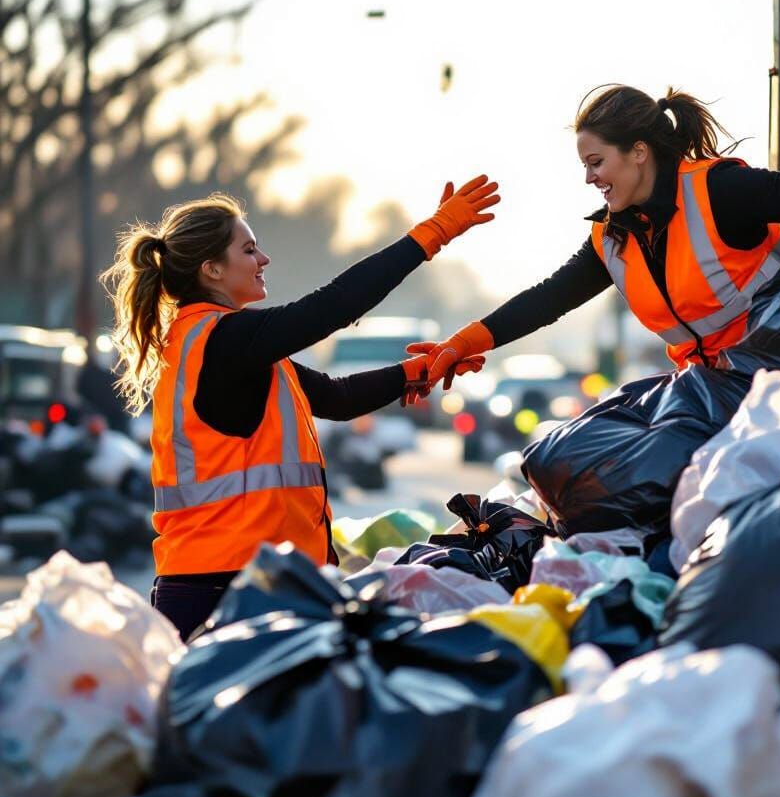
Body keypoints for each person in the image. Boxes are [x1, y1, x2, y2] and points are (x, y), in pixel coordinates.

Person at [101, 176, 499, 641]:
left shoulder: (216, 342)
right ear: (212, 269)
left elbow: (335, 398)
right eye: (249, 250)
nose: (263, 259)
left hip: (223, 581)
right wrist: (432, 235)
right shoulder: (227, 339)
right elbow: (331, 307)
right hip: (232, 585)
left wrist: (419, 371)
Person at [410, 85, 780, 384]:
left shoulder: (719, 189)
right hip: (715, 389)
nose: (589, 178)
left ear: (639, 152)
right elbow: (546, 300)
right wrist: (459, 344)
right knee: (567, 463)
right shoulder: (612, 239)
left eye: (596, 162)